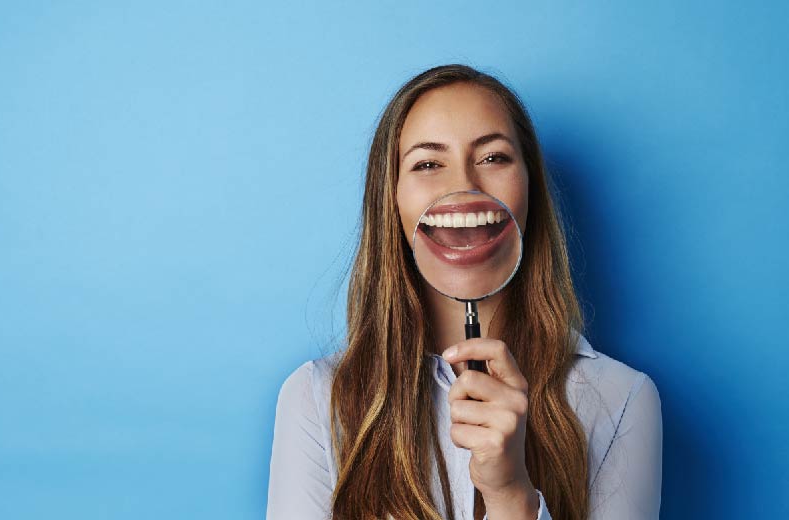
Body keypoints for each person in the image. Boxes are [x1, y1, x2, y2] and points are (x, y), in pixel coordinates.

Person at [266, 64, 662, 520]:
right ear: (391, 199)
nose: (463, 188)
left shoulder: (623, 399)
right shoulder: (317, 399)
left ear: (529, 187)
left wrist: (511, 493)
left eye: (493, 158)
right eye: (428, 164)